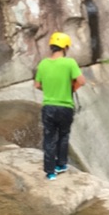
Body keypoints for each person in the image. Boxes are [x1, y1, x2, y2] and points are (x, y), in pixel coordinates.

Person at [32, 32, 84, 180]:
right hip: (65, 107)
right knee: (63, 135)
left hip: (48, 107)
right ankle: (61, 164)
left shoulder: (43, 64)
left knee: (49, 138)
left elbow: (37, 85)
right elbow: (82, 81)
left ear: (52, 47)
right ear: (65, 47)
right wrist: (70, 88)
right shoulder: (70, 63)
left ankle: (50, 172)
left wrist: (48, 90)